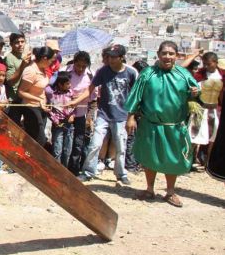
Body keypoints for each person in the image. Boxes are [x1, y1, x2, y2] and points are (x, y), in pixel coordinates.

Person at [126, 42, 200, 207]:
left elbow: (195, 91)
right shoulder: (147, 74)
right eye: (164, 53)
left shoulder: (183, 74)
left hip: (174, 125)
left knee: (172, 159)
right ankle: (150, 189)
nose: (167, 56)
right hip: (150, 124)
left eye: (171, 53)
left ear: (176, 56)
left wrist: (196, 92)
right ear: (158, 55)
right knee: (149, 157)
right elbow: (135, 96)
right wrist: (130, 117)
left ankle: (170, 192)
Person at [73, 44, 138, 185]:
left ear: (122, 57)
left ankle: (121, 174)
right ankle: (88, 171)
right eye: (109, 56)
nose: (110, 59)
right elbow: (89, 90)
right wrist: (75, 102)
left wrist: (131, 117)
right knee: (95, 144)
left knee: (121, 147)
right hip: (103, 114)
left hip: (121, 116)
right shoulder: (103, 71)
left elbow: (136, 96)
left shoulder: (131, 73)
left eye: (113, 57)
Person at [9, 46, 57, 147]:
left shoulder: (42, 69)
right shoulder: (31, 71)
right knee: (39, 141)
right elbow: (21, 92)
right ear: (44, 58)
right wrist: (38, 100)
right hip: (31, 107)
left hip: (40, 107)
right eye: (51, 60)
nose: (52, 63)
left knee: (37, 139)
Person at [189, 52, 224, 167]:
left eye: (209, 64)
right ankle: (189, 161)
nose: (206, 66)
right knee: (194, 136)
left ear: (215, 63)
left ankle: (207, 163)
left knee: (213, 138)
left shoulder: (222, 75)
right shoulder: (200, 74)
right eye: (204, 64)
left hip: (215, 109)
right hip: (200, 108)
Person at [65, 52, 96, 175]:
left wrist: (89, 116)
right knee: (66, 142)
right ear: (74, 63)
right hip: (65, 115)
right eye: (78, 65)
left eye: (83, 66)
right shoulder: (66, 72)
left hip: (81, 114)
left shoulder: (90, 75)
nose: (80, 69)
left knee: (78, 142)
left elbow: (93, 98)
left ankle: (74, 169)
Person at [46, 72, 76, 167]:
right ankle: (56, 170)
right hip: (58, 125)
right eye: (67, 83)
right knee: (57, 148)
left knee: (67, 149)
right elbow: (49, 110)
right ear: (60, 84)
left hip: (69, 124)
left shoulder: (71, 93)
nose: (70, 85)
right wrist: (55, 120)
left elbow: (74, 106)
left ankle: (65, 169)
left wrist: (72, 115)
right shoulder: (52, 94)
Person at [5, 32, 31, 103]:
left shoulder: (24, 56)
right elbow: (10, 82)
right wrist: (22, 65)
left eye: (22, 42)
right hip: (14, 99)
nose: (20, 45)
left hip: (24, 97)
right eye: (17, 42)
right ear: (11, 44)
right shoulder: (9, 58)